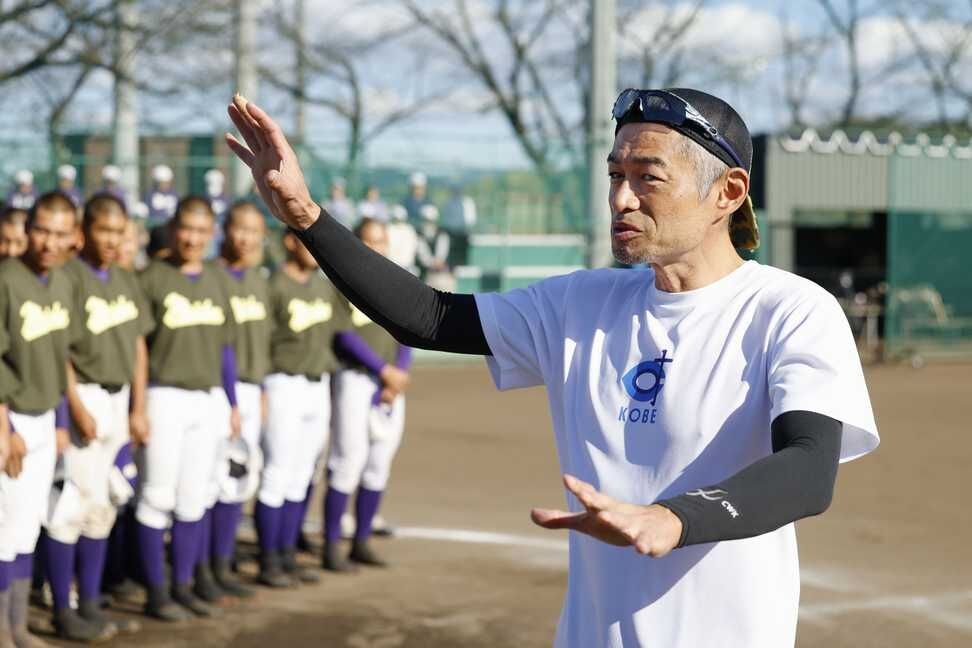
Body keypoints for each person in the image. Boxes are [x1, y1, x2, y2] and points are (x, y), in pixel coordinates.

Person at [227, 89, 881, 648]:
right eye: (614, 175)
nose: (622, 198)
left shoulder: (790, 311)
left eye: (648, 177)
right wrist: (306, 217)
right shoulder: (581, 302)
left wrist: (674, 517)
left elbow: (808, 470)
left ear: (727, 193)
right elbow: (426, 317)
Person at [43, 194, 149, 640]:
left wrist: (138, 408)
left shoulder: (124, 279)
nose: (111, 240)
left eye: (118, 231)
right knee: (70, 506)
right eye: (103, 231)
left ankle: (89, 601)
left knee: (101, 505)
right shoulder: (68, 277)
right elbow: (58, 347)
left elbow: (139, 345)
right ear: (85, 231)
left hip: (117, 397)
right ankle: (63, 607)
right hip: (83, 394)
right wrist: (74, 406)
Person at [135, 197, 239, 621]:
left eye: (201, 231)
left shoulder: (217, 278)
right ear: (174, 229)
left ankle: (182, 584)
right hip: (164, 396)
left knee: (194, 499)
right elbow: (139, 348)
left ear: (212, 233)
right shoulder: (152, 278)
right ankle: (155, 591)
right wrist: (138, 406)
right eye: (186, 229)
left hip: (207, 398)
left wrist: (231, 402)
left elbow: (226, 348)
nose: (193, 238)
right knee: (157, 496)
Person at [0, 191, 78, 647]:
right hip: (13, 420)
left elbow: (60, 356)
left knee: (28, 525)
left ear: (73, 237)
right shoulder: (7, 278)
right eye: (42, 230)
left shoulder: (62, 280)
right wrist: (5, 429)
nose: (49, 241)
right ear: (28, 231)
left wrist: (62, 420)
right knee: (5, 529)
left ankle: (19, 626)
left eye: (60, 233)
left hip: (46, 418)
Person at [254, 229, 341, 587]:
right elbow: (260, 342)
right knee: (276, 472)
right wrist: (260, 388)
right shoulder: (274, 285)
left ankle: (287, 554)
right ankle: (268, 559)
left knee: (302, 473)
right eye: (306, 241)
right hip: (282, 383)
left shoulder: (323, 286)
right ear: (290, 242)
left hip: (317, 384)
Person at [324, 218, 411, 571]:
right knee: (348, 460)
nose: (376, 247)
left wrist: (398, 375)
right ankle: (330, 547)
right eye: (368, 240)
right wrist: (384, 370)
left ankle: (361, 540)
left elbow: (410, 330)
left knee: (378, 464)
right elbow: (344, 335)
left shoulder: (397, 281)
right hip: (356, 379)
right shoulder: (340, 282)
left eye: (381, 241)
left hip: (390, 385)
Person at [206, 200, 271, 599]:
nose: (245, 238)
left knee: (237, 478)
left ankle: (223, 561)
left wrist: (260, 389)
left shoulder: (259, 279)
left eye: (254, 231)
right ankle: (205, 567)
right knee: (209, 480)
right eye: (239, 228)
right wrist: (231, 400)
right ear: (225, 229)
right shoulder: (212, 276)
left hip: (250, 387)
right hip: (215, 389)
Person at [415, 205, 453, 290]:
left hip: (441, 273)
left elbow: (441, 256)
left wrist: (438, 263)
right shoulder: (418, 235)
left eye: (430, 221)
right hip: (425, 274)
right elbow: (424, 257)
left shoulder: (442, 234)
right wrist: (432, 263)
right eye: (426, 220)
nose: (428, 223)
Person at [441, 183, 476, 266]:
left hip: (463, 233)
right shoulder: (448, 203)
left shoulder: (467, 202)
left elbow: (471, 219)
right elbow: (446, 219)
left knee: (463, 256)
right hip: (451, 233)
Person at [385, 205, 418, 275]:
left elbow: (413, 248)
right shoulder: (388, 229)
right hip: (391, 266)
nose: (398, 221)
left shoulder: (409, 230)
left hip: (407, 266)